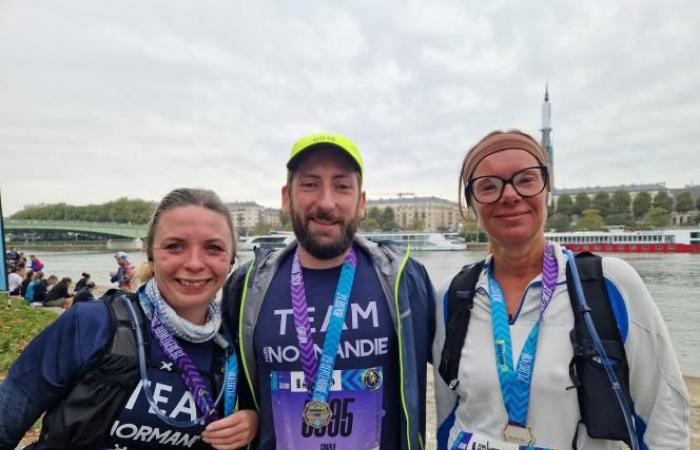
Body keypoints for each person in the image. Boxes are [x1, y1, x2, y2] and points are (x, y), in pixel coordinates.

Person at [432, 130, 690, 449]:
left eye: (526, 180)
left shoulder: (608, 284)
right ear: (471, 205)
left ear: (547, 192)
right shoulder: (453, 296)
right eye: (489, 186)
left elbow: (662, 414)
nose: (509, 195)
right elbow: (447, 414)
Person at [0, 188, 258, 450]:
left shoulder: (232, 350)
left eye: (213, 248)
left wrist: (253, 423)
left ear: (231, 262)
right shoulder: (92, 324)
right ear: (151, 255)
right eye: (174, 246)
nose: (193, 263)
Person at [224, 132, 435, 449]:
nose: (326, 202)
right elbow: (225, 384)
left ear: (361, 202)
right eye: (310, 184)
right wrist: (248, 417)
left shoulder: (406, 280)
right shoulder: (245, 286)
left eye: (342, 186)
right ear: (286, 197)